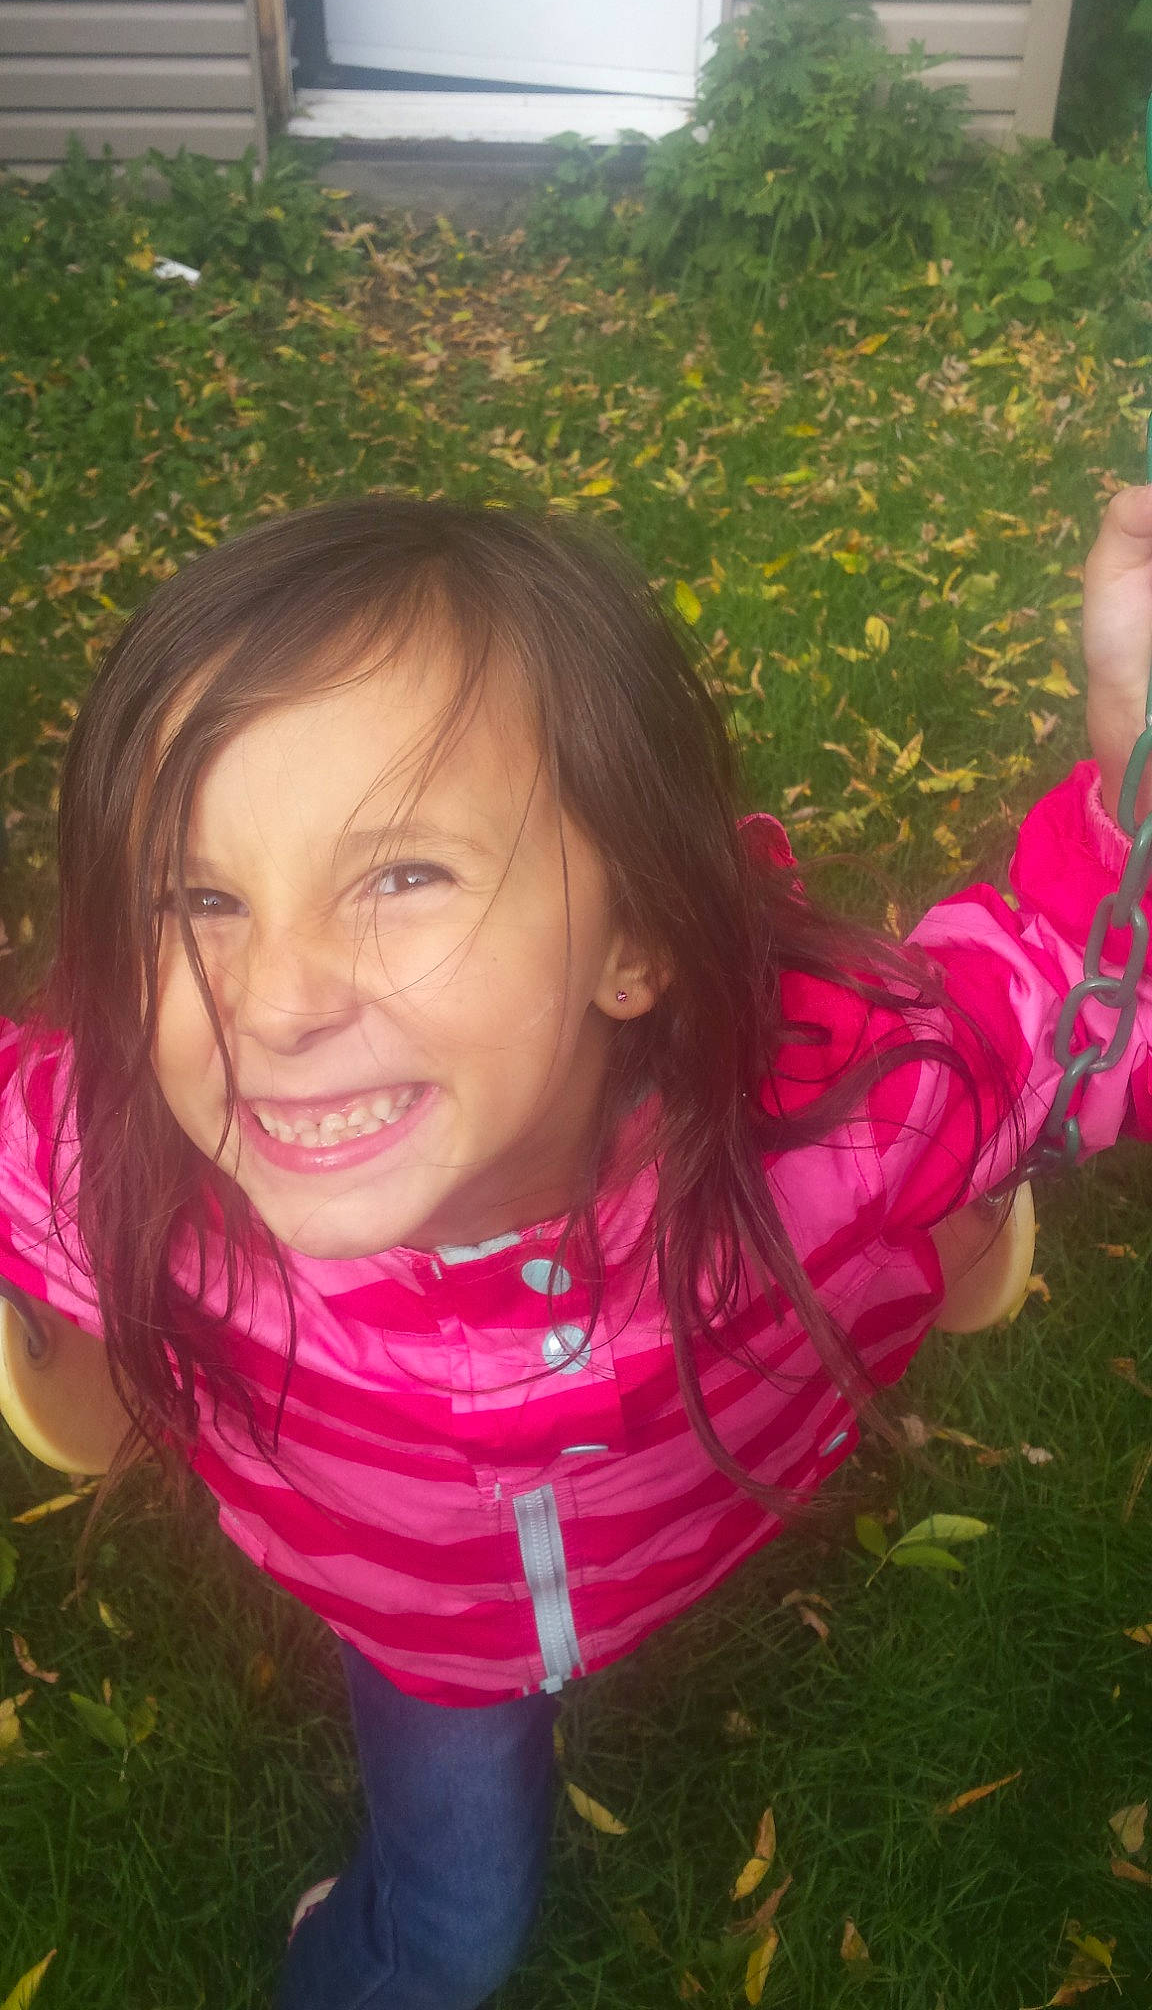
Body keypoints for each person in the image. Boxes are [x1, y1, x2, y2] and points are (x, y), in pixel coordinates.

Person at [0, 486, 1151, 2010]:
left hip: (689, 1530)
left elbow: (1072, 1005)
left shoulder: (833, 1122)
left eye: (400, 875)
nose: (271, 1003)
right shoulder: (131, 1164)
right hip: (427, 1637)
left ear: (637, 938)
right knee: (454, 1942)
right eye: (197, 897)